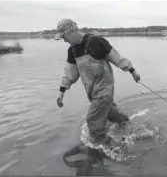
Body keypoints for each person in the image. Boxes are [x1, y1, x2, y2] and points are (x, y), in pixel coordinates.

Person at [54, 19, 141, 147]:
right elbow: (69, 74)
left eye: (64, 37)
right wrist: (61, 92)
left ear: (72, 31)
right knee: (111, 114)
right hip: (93, 93)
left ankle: (104, 148)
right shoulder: (72, 51)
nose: (64, 40)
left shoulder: (96, 41)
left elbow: (117, 58)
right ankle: (129, 128)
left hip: (104, 89)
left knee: (92, 120)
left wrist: (132, 71)